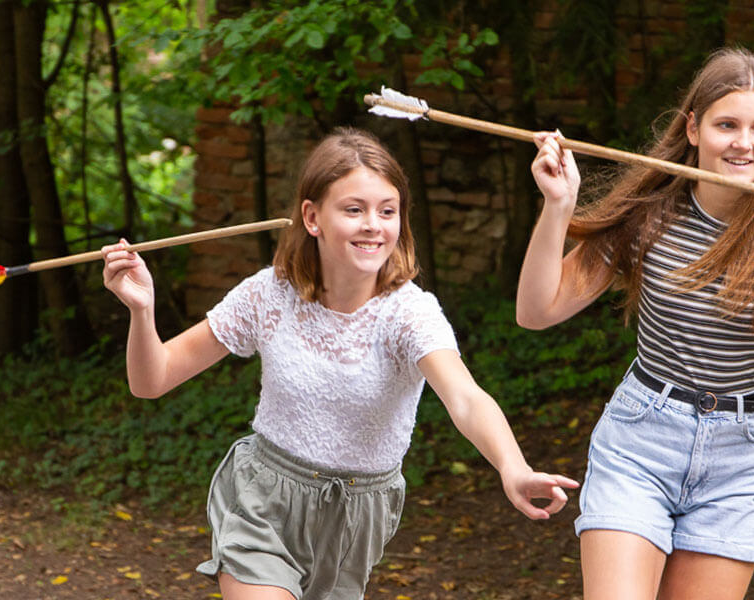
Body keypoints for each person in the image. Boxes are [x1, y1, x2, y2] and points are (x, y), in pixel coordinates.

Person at [102, 127, 579, 600]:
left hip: (357, 516)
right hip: (264, 500)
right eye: (354, 210)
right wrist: (141, 311)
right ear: (312, 217)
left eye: (387, 211)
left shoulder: (408, 312)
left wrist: (512, 467)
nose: (374, 224)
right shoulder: (269, 293)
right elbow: (153, 379)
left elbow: (466, 398)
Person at [516, 47, 754, 599]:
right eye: (727, 124)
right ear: (694, 128)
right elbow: (536, 312)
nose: (744, 143)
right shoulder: (650, 214)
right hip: (640, 442)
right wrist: (558, 206)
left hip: (738, 460)